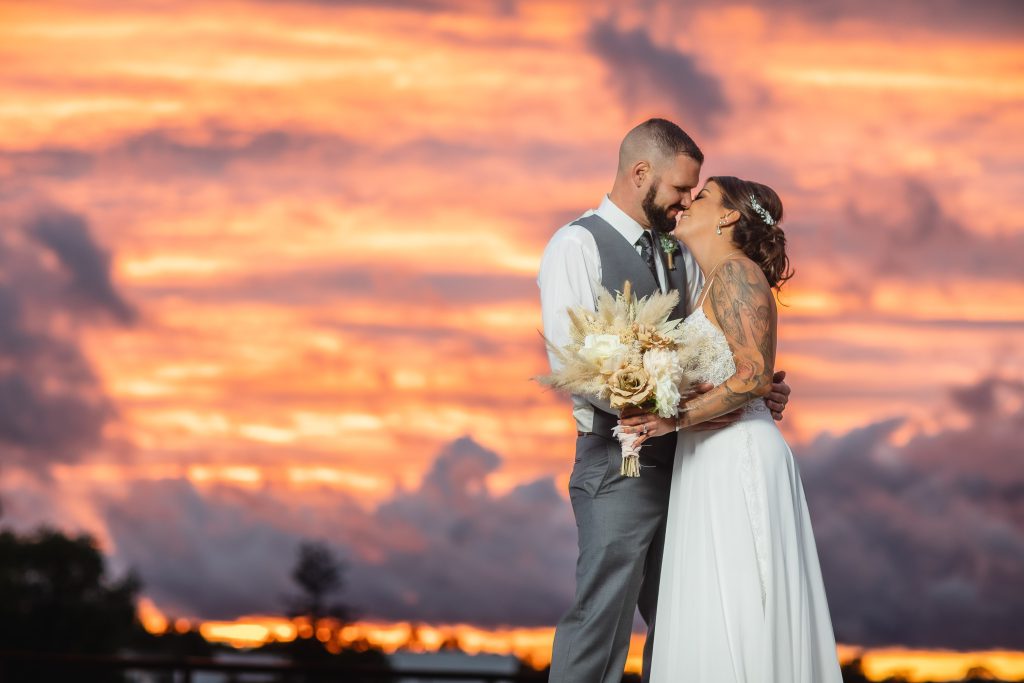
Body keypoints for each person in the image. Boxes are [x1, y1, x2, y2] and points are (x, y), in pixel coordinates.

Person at [537, 119, 792, 683]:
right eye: (681, 189)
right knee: (602, 618)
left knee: (682, 623)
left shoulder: (682, 255)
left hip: (692, 468)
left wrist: (752, 385)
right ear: (639, 173)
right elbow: (571, 366)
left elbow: (710, 347)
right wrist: (659, 404)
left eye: (695, 193)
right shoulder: (576, 245)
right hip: (619, 462)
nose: (684, 203)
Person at [619, 177, 842, 681]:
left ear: (727, 217)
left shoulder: (738, 274)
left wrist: (667, 420)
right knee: (711, 605)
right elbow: (743, 374)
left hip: (736, 456)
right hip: (707, 459)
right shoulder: (715, 282)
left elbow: (752, 377)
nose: (686, 204)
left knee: (741, 601)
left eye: (701, 197)